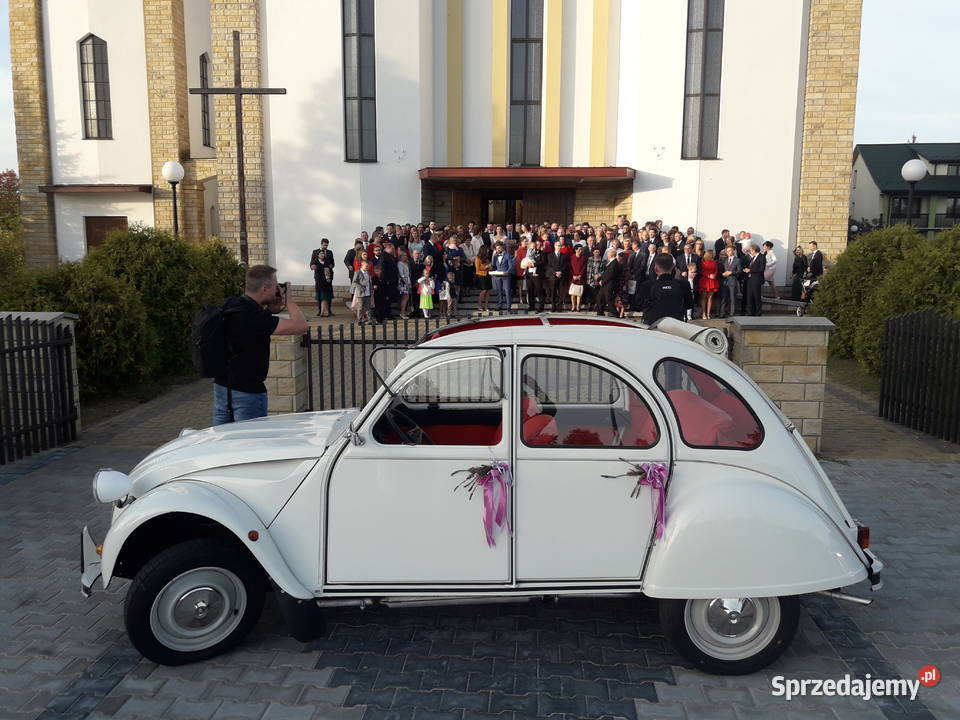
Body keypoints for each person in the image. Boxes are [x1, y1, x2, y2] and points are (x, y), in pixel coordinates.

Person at [213, 265, 308, 425]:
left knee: (224, 445)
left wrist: (271, 310)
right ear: (265, 288)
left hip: (222, 389)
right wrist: (289, 300)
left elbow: (250, 326)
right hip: (247, 394)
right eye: (275, 285)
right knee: (251, 444)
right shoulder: (255, 317)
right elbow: (301, 325)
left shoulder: (232, 304)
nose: (277, 289)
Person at [635, 254, 694, 325]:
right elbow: (689, 305)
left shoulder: (648, 285)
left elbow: (638, 305)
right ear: (673, 267)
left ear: (656, 269)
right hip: (676, 324)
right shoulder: (683, 284)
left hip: (653, 323)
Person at [309, 238, 335, 317]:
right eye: (324, 245)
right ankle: (320, 311)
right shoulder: (315, 252)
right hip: (319, 278)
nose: (325, 246)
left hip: (328, 277)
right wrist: (312, 267)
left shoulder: (330, 252)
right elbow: (311, 263)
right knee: (320, 295)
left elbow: (333, 263)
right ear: (321, 244)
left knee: (328, 294)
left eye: (327, 245)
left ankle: (329, 311)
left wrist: (331, 266)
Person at [596, 248, 621, 317]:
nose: (607, 254)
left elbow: (611, 275)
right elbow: (606, 273)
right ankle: (600, 313)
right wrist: (600, 278)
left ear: (611, 254)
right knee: (599, 298)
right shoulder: (611, 262)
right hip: (605, 285)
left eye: (608, 253)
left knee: (608, 301)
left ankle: (616, 315)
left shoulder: (614, 263)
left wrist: (602, 282)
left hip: (609, 285)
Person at [545, 238, 569, 311]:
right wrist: (555, 272)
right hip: (553, 276)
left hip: (562, 276)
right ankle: (553, 306)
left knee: (561, 292)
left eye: (560, 246)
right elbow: (549, 266)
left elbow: (565, 265)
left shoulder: (564, 255)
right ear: (554, 246)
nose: (559, 247)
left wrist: (560, 272)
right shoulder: (549, 255)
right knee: (553, 292)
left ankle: (559, 306)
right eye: (558, 246)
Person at [696, 250, 721, 320]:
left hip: (712, 280)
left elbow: (716, 270)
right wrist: (708, 276)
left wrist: (714, 275)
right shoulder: (702, 262)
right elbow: (701, 271)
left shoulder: (714, 262)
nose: (712, 255)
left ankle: (708, 313)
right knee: (703, 298)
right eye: (711, 254)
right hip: (704, 280)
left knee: (710, 298)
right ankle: (704, 313)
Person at [491, 240, 515, 310]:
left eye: (499, 248)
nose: (498, 249)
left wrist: (507, 272)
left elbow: (511, 266)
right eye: (496, 248)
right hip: (497, 276)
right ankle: (499, 305)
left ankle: (508, 306)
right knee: (499, 292)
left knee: (507, 291)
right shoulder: (495, 256)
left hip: (506, 276)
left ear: (502, 248)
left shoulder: (507, 255)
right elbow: (494, 266)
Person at [743, 243, 766, 316]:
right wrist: (747, 269)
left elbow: (761, 268)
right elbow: (752, 267)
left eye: (750, 250)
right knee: (749, 296)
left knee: (756, 296)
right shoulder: (753, 257)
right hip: (750, 279)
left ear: (754, 250)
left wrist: (750, 270)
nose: (750, 251)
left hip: (757, 279)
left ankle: (758, 312)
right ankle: (750, 312)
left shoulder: (761, 257)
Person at [524, 238, 546, 312]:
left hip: (537, 274)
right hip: (529, 274)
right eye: (536, 244)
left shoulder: (543, 253)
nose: (537, 245)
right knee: (530, 291)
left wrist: (533, 264)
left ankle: (541, 307)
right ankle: (531, 306)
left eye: (539, 244)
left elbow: (543, 262)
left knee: (539, 291)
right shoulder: (529, 252)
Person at [718, 246, 741, 318]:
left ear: (733, 251)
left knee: (732, 298)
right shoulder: (724, 260)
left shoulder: (737, 260)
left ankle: (732, 314)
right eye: (727, 251)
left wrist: (731, 272)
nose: (728, 252)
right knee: (724, 297)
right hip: (725, 281)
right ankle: (722, 313)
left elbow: (739, 271)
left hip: (732, 281)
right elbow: (721, 269)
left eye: (730, 250)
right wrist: (722, 273)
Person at [568, 244, 587, 312]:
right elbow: (570, 268)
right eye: (579, 249)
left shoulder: (584, 258)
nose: (580, 251)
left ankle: (578, 306)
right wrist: (573, 275)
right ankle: (573, 306)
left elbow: (584, 268)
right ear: (575, 250)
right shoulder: (571, 257)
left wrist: (580, 275)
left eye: (581, 249)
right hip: (573, 277)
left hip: (580, 278)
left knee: (579, 293)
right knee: (573, 293)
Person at [586, 246, 604, 311]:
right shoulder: (589, 259)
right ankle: (589, 305)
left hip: (597, 280)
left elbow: (604, 270)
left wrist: (599, 275)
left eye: (598, 252)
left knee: (596, 293)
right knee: (589, 293)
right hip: (589, 278)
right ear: (593, 252)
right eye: (595, 252)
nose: (596, 253)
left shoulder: (602, 260)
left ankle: (596, 305)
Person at [475, 244, 492, 312]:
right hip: (481, 276)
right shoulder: (478, 258)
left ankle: (486, 306)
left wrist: (490, 267)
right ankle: (479, 305)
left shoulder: (487, 257)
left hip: (488, 274)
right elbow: (477, 269)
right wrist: (486, 267)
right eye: (487, 249)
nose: (488, 250)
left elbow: (489, 265)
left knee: (488, 291)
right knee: (484, 290)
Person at [397, 248, 411, 318]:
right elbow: (401, 274)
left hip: (407, 280)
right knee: (405, 298)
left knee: (407, 297)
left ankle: (404, 312)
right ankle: (402, 313)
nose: (406, 256)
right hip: (403, 281)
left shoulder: (406, 263)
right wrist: (406, 283)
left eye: (406, 255)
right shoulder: (400, 263)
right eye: (404, 255)